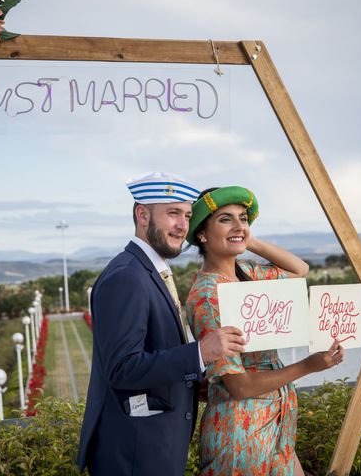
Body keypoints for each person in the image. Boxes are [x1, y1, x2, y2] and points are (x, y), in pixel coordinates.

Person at [77, 172, 247, 476]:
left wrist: (195, 381)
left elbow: (155, 352)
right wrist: (199, 353)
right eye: (172, 214)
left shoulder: (151, 270)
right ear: (142, 215)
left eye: (186, 215)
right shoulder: (127, 277)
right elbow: (122, 368)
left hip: (154, 448)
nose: (183, 225)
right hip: (134, 455)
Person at [185, 186, 344, 476]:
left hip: (275, 423)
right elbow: (239, 386)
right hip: (240, 436)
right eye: (225, 219)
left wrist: (247, 239)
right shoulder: (208, 296)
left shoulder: (248, 273)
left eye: (243, 218)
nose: (238, 225)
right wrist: (309, 365)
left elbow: (299, 270)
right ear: (202, 234)